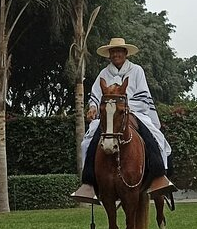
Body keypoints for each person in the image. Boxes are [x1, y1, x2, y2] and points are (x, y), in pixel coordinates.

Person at [71, 38, 175, 204]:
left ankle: (159, 178)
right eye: (113, 52)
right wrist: (93, 107)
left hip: (134, 112)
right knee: (87, 141)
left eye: (119, 51)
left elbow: (143, 96)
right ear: (109, 55)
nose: (116, 54)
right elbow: (96, 96)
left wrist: (124, 106)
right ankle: (89, 183)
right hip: (108, 115)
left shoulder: (137, 71)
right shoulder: (103, 74)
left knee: (156, 136)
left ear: (125, 53)